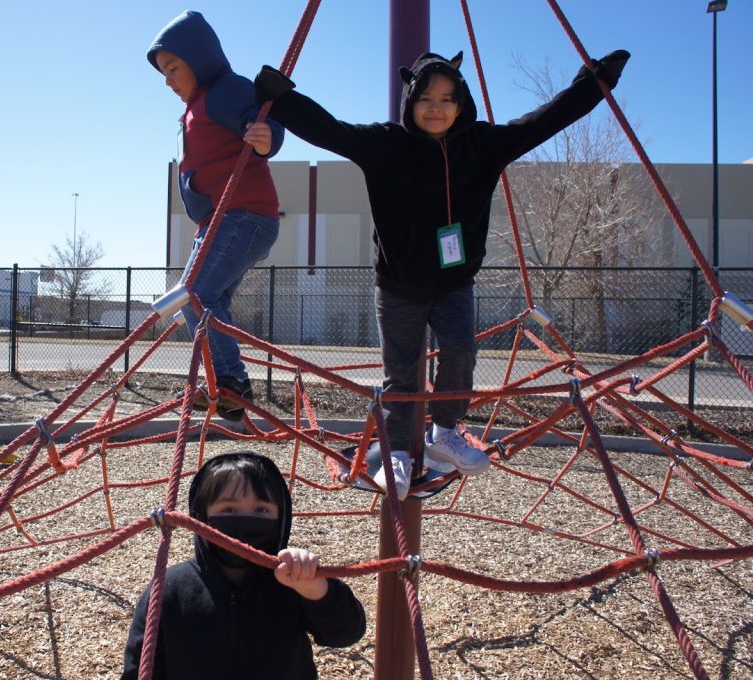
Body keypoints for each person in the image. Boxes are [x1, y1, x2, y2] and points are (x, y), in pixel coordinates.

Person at [255, 49, 630, 495]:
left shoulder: (484, 146)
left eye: (448, 99)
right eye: (426, 98)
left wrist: (595, 83)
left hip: (454, 283)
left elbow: (544, 121)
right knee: (402, 374)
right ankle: (395, 454)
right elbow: (329, 130)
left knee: (460, 351)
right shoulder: (385, 144)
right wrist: (280, 99)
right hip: (398, 285)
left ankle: (445, 433)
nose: (437, 108)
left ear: (461, 103)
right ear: (410, 101)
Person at [148, 10, 285, 421]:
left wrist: (265, 136)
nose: (169, 81)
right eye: (164, 75)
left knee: (195, 294)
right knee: (206, 299)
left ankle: (230, 380)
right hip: (218, 223)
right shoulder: (193, 108)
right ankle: (223, 380)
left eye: (174, 68)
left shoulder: (224, 89)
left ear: (199, 58)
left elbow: (261, 120)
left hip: (244, 215)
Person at [121, 451, 366, 679]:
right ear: (201, 518)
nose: (245, 521)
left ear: (281, 518)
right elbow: (140, 665)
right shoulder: (171, 588)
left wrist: (316, 589)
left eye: (261, 509)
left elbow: (346, 633)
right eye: (228, 509)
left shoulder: (291, 580)